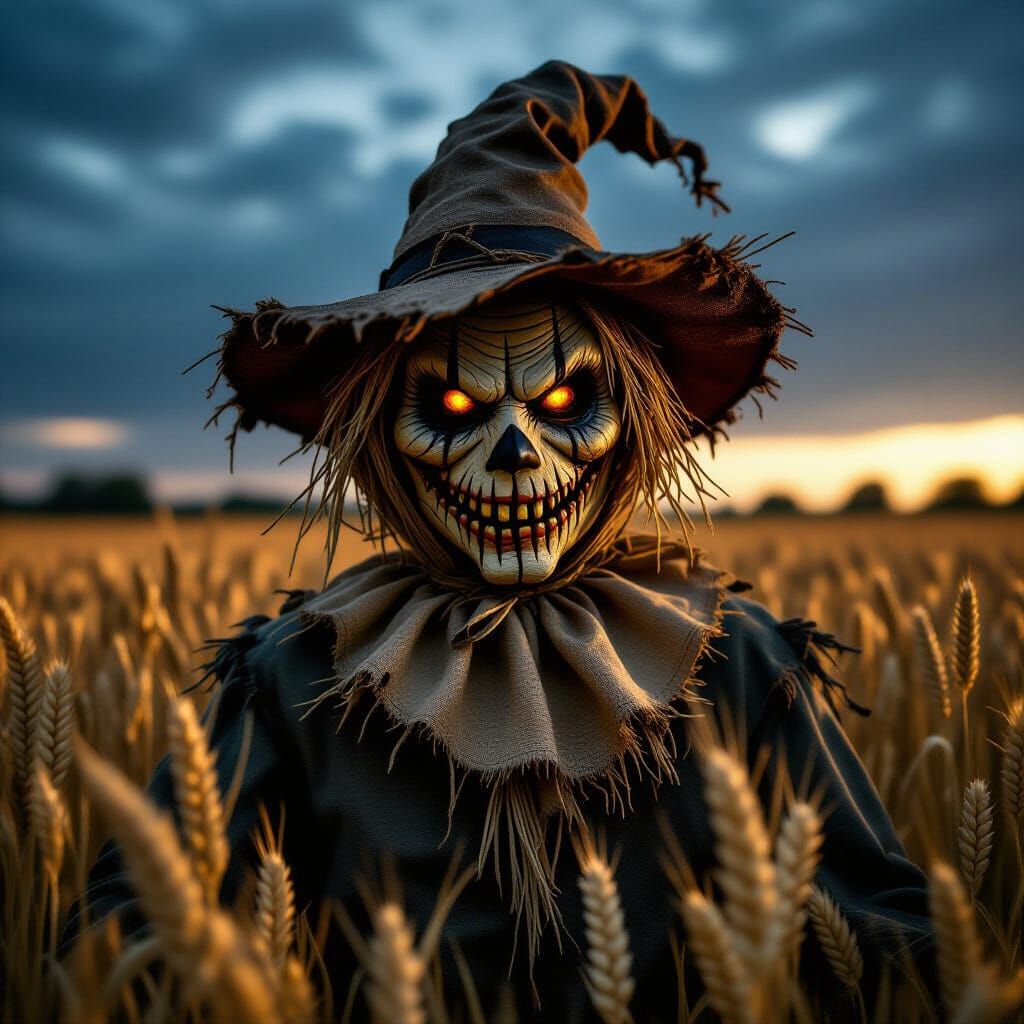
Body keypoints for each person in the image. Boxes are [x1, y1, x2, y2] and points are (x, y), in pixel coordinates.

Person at [70, 61, 935, 1020]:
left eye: (566, 400)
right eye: (451, 406)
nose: (518, 455)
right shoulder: (297, 679)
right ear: (379, 438)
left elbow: (890, 952)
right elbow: (125, 951)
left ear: (633, 422)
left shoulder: (736, 663)